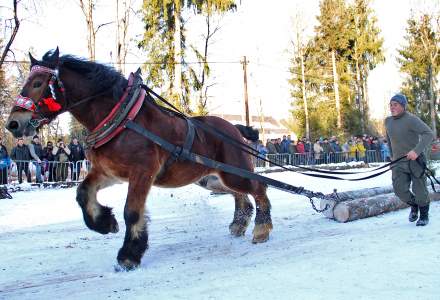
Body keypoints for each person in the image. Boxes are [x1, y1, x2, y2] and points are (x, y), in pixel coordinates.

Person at [385, 93, 434, 226]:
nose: (392, 107)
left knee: (420, 190)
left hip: (415, 161)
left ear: (403, 106)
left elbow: (429, 134)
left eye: (395, 104)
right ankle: (414, 205)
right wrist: (392, 157)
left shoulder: (411, 119)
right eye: (390, 105)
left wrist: (416, 151)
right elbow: (390, 141)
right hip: (398, 162)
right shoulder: (388, 121)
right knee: (399, 189)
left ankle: (424, 215)